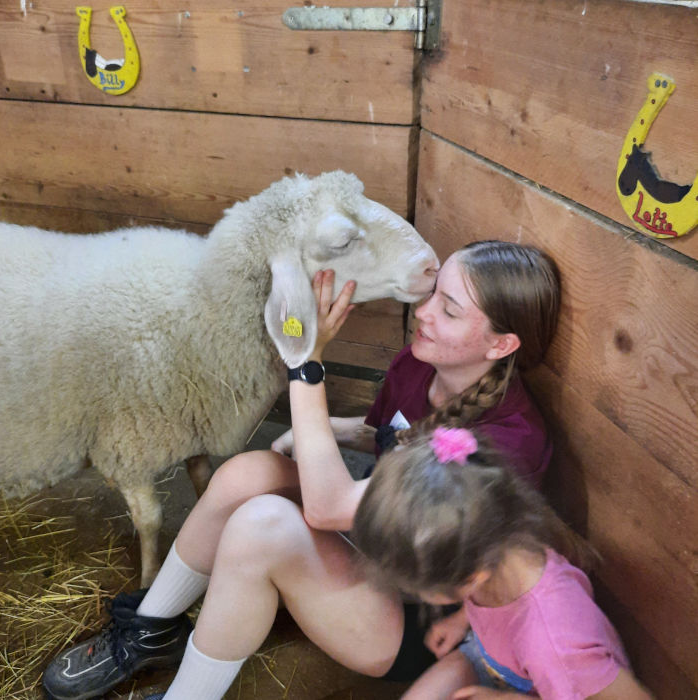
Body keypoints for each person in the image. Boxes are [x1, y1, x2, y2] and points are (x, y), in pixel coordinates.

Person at [43, 240, 561, 700]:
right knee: (249, 472)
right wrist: (332, 427)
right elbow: (388, 433)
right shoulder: (420, 363)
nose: (423, 313)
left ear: (501, 344)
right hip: (378, 537)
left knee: (262, 526)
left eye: (447, 309)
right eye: (433, 294)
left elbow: (329, 507)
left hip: (423, 618)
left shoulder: (506, 442)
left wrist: (305, 364)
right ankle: (151, 630)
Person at [350, 425, 652, 699]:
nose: (413, 592)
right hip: (492, 660)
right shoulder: (500, 538)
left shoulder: (557, 647)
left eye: (418, 589)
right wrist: (461, 621)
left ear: (472, 577)